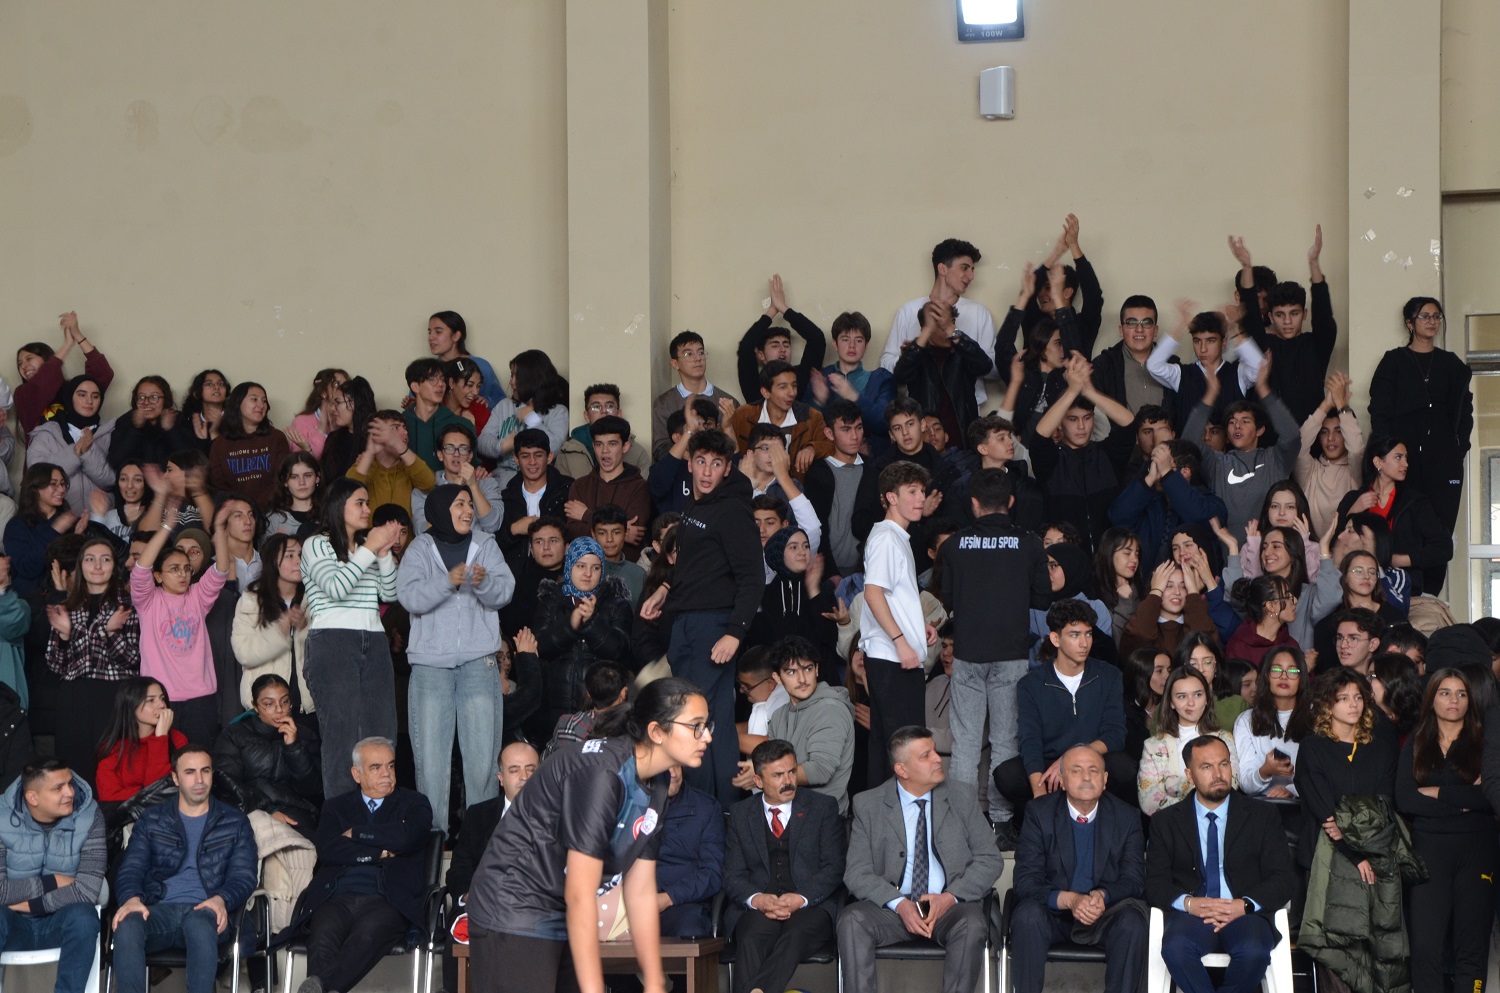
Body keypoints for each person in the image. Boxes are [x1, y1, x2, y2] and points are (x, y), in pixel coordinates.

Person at [465, 678, 712, 993]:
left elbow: (640, 890)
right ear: (656, 732)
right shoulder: (603, 773)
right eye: (696, 726)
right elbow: (580, 892)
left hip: (562, 910)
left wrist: (654, 981)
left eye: (706, 725)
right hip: (515, 904)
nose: (707, 736)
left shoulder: (659, 782)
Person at [639, 430, 762, 808]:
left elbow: (752, 577)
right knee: (702, 720)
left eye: (717, 464)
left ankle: (708, 811)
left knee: (698, 722)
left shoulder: (733, 509)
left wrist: (734, 633)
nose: (707, 471)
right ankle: (707, 811)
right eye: (701, 462)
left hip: (714, 627)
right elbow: (694, 567)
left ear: (728, 469)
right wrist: (664, 590)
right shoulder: (695, 506)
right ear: (690, 463)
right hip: (685, 624)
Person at [838, 725, 1002, 993]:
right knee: (852, 919)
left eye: (935, 751)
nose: (938, 758)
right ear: (902, 770)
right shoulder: (868, 804)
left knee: (972, 922)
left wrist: (949, 897)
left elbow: (990, 859)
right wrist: (900, 904)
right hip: (892, 911)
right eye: (926, 756)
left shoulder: (961, 796)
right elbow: (856, 872)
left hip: (949, 907)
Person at [939, 467, 1050, 845]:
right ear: (1012, 502)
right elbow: (1043, 598)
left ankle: (960, 824)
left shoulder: (953, 545)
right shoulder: (1030, 543)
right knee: (1005, 741)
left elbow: (947, 600)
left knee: (966, 743)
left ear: (973, 504)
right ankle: (1001, 825)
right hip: (1012, 654)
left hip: (968, 654)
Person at [397, 484, 514, 830]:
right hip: (430, 668)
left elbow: (504, 592)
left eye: (469, 504)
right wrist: (447, 581)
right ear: (440, 509)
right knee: (431, 762)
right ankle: (434, 849)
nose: (467, 510)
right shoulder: (420, 548)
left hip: (479, 664)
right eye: (459, 504)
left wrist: (483, 582)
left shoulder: (485, 545)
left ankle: (479, 849)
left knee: (481, 761)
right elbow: (410, 597)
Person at [1145, 735, 1298, 993]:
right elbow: (1154, 884)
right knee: (1175, 948)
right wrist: (1190, 904)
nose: (1218, 774)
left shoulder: (1263, 815)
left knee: (1254, 951)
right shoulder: (1165, 822)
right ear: (1189, 774)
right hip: (1192, 915)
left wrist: (1244, 904)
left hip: (1245, 912)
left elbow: (1282, 879)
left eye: (1224, 764)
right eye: (1206, 767)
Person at [285, 737, 433, 993]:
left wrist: (357, 833)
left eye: (390, 766)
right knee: (321, 942)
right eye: (376, 767)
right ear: (357, 774)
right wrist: (378, 853)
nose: (386, 774)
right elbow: (329, 849)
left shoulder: (415, 803)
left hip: (387, 898)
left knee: (364, 938)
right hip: (336, 896)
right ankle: (323, 987)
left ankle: (319, 986)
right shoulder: (336, 808)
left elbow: (406, 837)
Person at [110, 745, 259, 993]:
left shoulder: (234, 821)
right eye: (190, 772)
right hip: (160, 910)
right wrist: (131, 899)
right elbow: (131, 868)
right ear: (175, 778)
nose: (199, 780)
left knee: (200, 922)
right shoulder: (152, 819)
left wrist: (221, 899)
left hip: (207, 910)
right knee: (128, 923)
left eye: (205, 771)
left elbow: (244, 875)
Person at [1011, 746, 1146, 993]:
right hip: (1054, 915)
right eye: (1076, 770)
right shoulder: (1039, 814)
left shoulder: (1127, 817)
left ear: (1105, 780)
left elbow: (1134, 880)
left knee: (1133, 922)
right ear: (1061, 780)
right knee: (1026, 916)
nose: (1086, 777)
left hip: (1103, 915)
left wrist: (1102, 896)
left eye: (1094, 770)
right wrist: (1070, 900)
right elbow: (1025, 882)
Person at [300, 478, 402, 796]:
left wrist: (383, 553)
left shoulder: (365, 550)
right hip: (332, 641)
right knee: (341, 737)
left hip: (373, 639)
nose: (367, 509)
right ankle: (344, 828)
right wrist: (371, 548)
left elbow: (390, 592)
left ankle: (379, 819)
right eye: (359, 502)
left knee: (382, 733)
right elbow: (336, 588)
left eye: (367, 502)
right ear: (337, 505)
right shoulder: (317, 543)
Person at [1395, 668, 1494, 993]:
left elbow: (1490, 797)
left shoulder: (1485, 741)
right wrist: (1465, 800)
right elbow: (1406, 798)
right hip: (1429, 851)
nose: (1454, 700)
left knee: (1472, 945)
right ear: (1431, 697)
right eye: (1445, 692)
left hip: (1477, 851)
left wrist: (1438, 792)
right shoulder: (1416, 742)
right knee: (1425, 946)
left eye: (1461, 693)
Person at [722, 739, 846, 993]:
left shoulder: (822, 807)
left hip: (811, 905)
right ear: (758, 781)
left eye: (792, 771)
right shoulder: (740, 814)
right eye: (778, 775)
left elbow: (835, 867)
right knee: (751, 937)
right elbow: (733, 874)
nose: (788, 780)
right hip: (760, 908)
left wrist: (801, 898)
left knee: (795, 935)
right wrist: (757, 899)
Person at [995, 600, 1133, 824]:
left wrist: (1068, 761)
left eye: (1088, 634)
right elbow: (1030, 740)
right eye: (1075, 635)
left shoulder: (1109, 676)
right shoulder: (1031, 684)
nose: (1084, 643)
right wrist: (1039, 793)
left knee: (1124, 768)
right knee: (1007, 775)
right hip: (1050, 765)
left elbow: (1115, 734)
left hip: (1093, 759)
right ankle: (1045, 818)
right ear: (1055, 639)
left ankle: (1104, 822)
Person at [856, 461, 938, 786]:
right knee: (901, 745)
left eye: (922, 491)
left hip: (891, 657)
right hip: (892, 660)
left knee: (889, 744)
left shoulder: (895, 536)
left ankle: (886, 823)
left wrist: (918, 628)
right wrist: (902, 641)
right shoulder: (887, 538)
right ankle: (895, 823)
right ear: (890, 496)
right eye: (912, 492)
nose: (921, 498)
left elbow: (890, 596)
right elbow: (873, 593)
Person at [1369, 297, 1473, 544]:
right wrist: (1387, 451)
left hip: (1443, 456)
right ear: (1410, 323)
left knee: (1439, 525)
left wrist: (1458, 449)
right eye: (1424, 316)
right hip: (1403, 455)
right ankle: (1403, 579)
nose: (1432, 321)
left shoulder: (1452, 365)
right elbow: (1379, 409)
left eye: (1437, 316)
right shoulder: (1394, 361)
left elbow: (1465, 412)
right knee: (1402, 519)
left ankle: (1432, 580)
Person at [0, 758, 106, 993]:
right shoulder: (1, 818)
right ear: (32, 797)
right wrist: (54, 881)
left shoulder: (90, 815)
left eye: (70, 784)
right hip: (11, 925)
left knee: (84, 917)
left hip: (61, 923)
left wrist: (28, 904)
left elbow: (87, 890)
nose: (69, 792)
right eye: (58, 788)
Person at [132, 502, 234, 746]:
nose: (183, 574)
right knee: (164, 767)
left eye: (187, 569)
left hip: (202, 698)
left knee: (200, 764)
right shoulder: (148, 601)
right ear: (158, 576)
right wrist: (167, 527)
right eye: (174, 569)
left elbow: (221, 569)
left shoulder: (198, 597)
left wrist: (218, 529)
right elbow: (141, 568)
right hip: (162, 700)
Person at [44, 535, 139, 787]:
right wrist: (64, 636)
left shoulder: (127, 606)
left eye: (105, 559)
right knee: (75, 770)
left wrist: (111, 633)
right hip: (73, 696)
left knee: (114, 768)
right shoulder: (66, 606)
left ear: (114, 566)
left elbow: (132, 660)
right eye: (90, 559)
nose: (97, 566)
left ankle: (113, 825)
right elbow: (54, 665)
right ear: (80, 565)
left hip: (114, 695)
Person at [1185, 356, 1302, 544]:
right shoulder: (1217, 463)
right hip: (1230, 557)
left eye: (1245, 421)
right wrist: (1211, 394)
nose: (1236, 426)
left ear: (1260, 430)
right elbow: (1189, 442)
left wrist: (1263, 389)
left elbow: (1292, 435)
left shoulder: (1275, 459)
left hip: (1270, 555)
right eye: (1232, 422)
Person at [1026, 353, 1135, 552]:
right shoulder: (1052, 461)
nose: (1082, 426)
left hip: (1108, 561)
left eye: (1087, 418)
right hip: (1067, 562)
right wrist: (1072, 391)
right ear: (1060, 422)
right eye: (1073, 419)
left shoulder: (1106, 455)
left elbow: (1128, 424)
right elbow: (1039, 438)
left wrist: (1088, 391)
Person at [1292, 669, 1398, 870]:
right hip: (1323, 854)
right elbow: (1323, 810)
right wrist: (1351, 852)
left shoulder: (1379, 748)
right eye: (1343, 698)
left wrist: (1359, 844)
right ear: (1327, 705)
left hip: (1372, 850)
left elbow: (1383, 803)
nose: (1353, 704)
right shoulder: (1312, 747)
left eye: (1358, 697)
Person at [1231, 227, 1338, 425]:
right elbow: (1251, 311)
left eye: (1294, 313)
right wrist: (1246, 266)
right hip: (1268, 445)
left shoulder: (1315, 345)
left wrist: (1314, 263)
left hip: (1309, 441)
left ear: (1304, 314)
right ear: (1270, 316)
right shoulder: (1264, 342)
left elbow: (1324, 316)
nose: (1287, 321)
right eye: (1280, 315)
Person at [532, 537, 633, 741]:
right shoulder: (551, 599)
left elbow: (619, 651)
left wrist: (591, 621)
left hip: (601, 706)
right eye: (581, 566)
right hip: (553, 703)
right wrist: (571, 624)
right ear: (570, 565)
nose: (588, 574)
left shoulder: (616, 602)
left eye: (595, 568)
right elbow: (540, 646)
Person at [880, 239, 998, 409]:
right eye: (964, 268)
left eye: (972, 270)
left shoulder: (979, 313)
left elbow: (994, 370)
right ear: (942, 269)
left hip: (966, 414)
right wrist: (907, 356)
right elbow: (886, 365)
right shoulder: (909, 311)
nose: (971, 276)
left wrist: (966, 351)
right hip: (919, 414)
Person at [1335, 435, 1453, 598]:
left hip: (1403, 589)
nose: (1405, 464)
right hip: (1353, 586)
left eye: (1406, 458)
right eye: (1398, 457)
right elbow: (1336, 543)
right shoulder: (1353, 499)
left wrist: (1401, 560)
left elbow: (1444, 547)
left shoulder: (1415, 502)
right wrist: (1353, 511)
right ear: (1378, 462)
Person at [213, 673, 321, 833]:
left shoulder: (305, 734)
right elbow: (226, 781)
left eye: (285, 702)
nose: (279, 710)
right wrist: (268, 810)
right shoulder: (234, 734)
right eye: (269, 704)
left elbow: (313, 790)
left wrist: (294, 747)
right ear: (255, 706)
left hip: (296, 812)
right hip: (250, 809)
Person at [759, 635, 856, 814]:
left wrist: (765, 774)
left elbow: (820, 770)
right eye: (791, 672)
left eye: (808, 669)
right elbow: (772, 760)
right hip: (788, 813)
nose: (802, 679)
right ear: (777, 678)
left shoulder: (830, 709)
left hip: (823, 818)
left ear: (817, 669)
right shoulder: (779, 716)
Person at [1109, 440, 1227, 574]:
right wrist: (1148, 479)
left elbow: (1198, 516)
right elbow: (1118, 517)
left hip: (1195, 591)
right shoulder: (1149, 502)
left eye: (1164, 465)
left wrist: (1167, 474)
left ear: (1185, 472)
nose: (1159, 471)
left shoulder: (1212, 503)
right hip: (1150, 589)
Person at [1145, 305, 1263, 435]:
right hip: (1188, 453)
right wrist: (1180, 327)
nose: (1203, 349)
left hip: (1228, 454)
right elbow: (1153, 365)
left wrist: (1234, 329)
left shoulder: (1238, 373)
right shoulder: (1181, 374)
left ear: (1223, 343)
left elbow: (1260, 367)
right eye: (1197, 341)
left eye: (1210, 341)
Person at [891, 298, 993, 447]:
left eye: (950, 322)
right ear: (924, 329)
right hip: (927, 441)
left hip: (963, 438)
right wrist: (915, 348)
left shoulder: (963, 350)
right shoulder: (917, 353)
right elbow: (900, 376)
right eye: (939, 324)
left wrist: (957, 336)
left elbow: (985, 366)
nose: (946, 330)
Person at [1137, 667, 1236, 816]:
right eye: (1182, 696)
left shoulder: (1225, 739)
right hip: (1172, 829)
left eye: (1197, 694)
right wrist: (1201, 787)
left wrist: (1172, 784)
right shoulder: (1153, 745)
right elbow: (1149, 803)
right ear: (1171, 702)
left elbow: (1230, 786)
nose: (1191, 703)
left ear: (1207, 697)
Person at [25, 375, 116, 517]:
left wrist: (88, 452)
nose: (89, 401)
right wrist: (75, 452)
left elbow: (112, 481)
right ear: (70, 397)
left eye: (95, 396)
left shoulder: (111, 433)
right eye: (82, 395)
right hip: (55, 521)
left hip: (100, 522)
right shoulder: (47, 433)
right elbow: (36, 478)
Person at [14, 312, 114, 441]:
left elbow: (103, 374)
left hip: (84, 458)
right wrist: (67, 345)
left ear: (47, 359)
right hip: (43, 460)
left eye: (29, 359)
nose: (24, 366)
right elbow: (40, 385)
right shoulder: (22, 395)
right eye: (20, 363)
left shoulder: (70, 390)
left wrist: (78, 335)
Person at [805, 311, 894, 456]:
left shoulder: (882, 379)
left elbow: (885, 423)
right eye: (845, 339)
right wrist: (819, 402)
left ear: (866, 345)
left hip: (872, 462)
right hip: (828, 459)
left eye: (859, 340)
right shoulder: (820, 377)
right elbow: (806, 428)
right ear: (835, 344)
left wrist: (853, 396)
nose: (852, 346)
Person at [652, 764, 725, 937]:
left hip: (683, 904)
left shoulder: (706, 808)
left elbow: (712, 873)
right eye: (666, 767)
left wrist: (667, 898)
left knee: (689, 930)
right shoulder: (630, 802)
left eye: (677, 765)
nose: (675, 774)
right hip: (632, 902)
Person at [562, 415, 650, 556]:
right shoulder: (579, 486)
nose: (605, 451)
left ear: (625, 446)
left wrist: (586, 515)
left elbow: (634, 536)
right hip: (587, 569)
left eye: (612, 444)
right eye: (599, 444)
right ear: (593, 446)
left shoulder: (640, 487)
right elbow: (573, 532)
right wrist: (619, 530)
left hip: (626, 568)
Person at [1233, 646, 1311, 799]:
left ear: (1302, 677)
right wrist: (1265, 771)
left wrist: (1292, 790)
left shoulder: (1317, 715)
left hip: (1306, 805)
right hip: (1261, 806)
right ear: (1267, 675)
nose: (1284, 676)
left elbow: (1326, 773)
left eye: (1293, 671)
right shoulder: (1246, 720)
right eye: (1276, 670)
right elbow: (1245, 783)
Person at [650, 330, 741, 459]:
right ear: (675, 363)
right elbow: (661, 449)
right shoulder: (664, 403)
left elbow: (739, 449)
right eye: (688, 354)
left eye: (701, 353)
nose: (697, 358)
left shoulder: (728, 402)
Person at [94, 678, 187, 804]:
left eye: (162, 698)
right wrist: (146, 792)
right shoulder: (114, 747)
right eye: (151, 700)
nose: (161, 705)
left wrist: (160, 738)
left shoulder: (177, 739)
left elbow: (166, 794)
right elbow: (109, 797)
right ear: (131, 705)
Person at [480, 350, 570, 478]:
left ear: (534, 378)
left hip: (541, 480)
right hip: (504, 479)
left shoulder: (558, 411)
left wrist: (532, 419)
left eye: (518, 376)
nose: (512, 382)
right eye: (512, 376)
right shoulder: (504, 405)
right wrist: (501, 446)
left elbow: (554, 448)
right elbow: (482, 441)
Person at [1295, 372, 1364, 536]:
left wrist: (1341, 405)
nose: (1331, 439)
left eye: (1338, 432)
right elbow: (1298, 446)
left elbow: (1356, 449)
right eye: (1325, 432)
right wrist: (1326, 404)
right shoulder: (1311, 470)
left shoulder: (1355, 470)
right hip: (1312, 552)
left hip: (1346, 551)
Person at [207, 382, 290, 511]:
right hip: (235, 513)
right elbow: (219, 486)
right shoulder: (220, 444)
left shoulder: (276, 437)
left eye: (264, 401)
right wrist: (243, 509)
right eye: (254, 399)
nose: (261, 405)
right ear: (238, 403)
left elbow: (281, 479)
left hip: (273, 511)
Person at [410, 421, 503, 536]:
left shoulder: (487, 483)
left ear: (470, 456)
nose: (456, 454)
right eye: (449, 448)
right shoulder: (424, 490)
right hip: (439, 552)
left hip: (479, 551)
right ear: (440, 454)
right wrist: (454, 489)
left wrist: (473, 486)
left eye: (463, 449)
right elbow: (423, 532)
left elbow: (493, 525)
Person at [4, 464, 81, 597]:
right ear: (35, 488)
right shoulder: (16, 526)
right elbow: (28, 568)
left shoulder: (70, 521)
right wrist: (54, 530)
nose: (61, 489)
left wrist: (79, 537)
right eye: (54, 484)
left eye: (63, 484)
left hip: (70, 597)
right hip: (32, 603)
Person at [498, 428, 572, 563]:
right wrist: (513, 530)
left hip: (559, 576)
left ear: (549, 457)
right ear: (516, 459)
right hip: (517, 579)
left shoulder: (568, 490)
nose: (532, 462)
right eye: (525, 456)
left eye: (538, 455)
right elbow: (495, 545)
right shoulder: (506, 497)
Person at [345, 410, 436, 516]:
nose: (405, 432)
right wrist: (369, 453)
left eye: (405, 428)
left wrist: (400, 446)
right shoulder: (364, 464)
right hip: (370, 532)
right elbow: (347, 494)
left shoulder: (410, 465)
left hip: (404, 532)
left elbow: (429, 483)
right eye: (396, 428)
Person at [556, 384, 651, 482]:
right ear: (586, 416)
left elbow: (642, 491)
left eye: (610, 406)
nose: (604, 411)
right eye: (596, 407)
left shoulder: (637, 453)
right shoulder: (568, 451)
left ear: (619, 413)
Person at [427, 311, 505, 410]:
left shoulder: (481, 366)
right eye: (429, 332)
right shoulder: (428, 370)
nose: (431, 337)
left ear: (456, 336)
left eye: (438, 331)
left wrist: (486, 402)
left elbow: (501, 404)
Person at [401, 358, 467, 475]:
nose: (441, 384)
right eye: (432, 379)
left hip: (447, 489)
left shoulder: (461, 424)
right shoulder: (401, 424)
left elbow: (473, 466)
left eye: (442, 379)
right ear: (415, 386)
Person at [318, 376, 375, 484]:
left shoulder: (374, 439)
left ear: (354, 403)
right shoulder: (333, 438)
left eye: (337, 403)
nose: (333, 409)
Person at [283, 369, 347, 462]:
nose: (343, 389)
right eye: (337, 384)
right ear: (323, 392)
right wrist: (322, 429)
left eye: (346, 385)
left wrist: (334, 430)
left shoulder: (348, 419)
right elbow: (303, 464)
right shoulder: (301, 422)